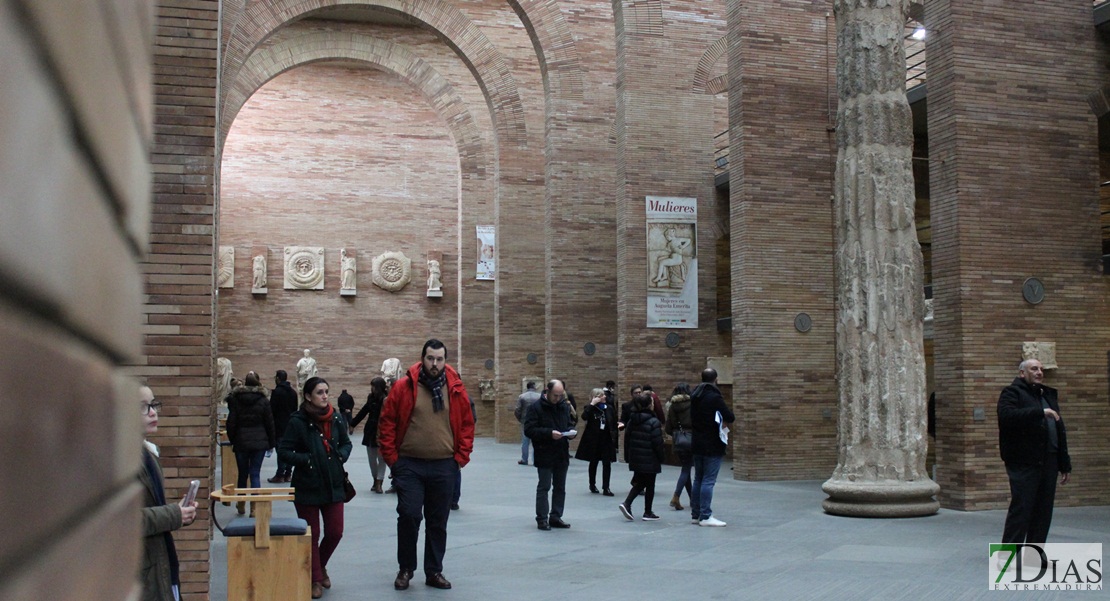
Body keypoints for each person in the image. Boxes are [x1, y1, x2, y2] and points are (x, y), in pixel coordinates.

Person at [378, 339, 475, 591]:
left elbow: (467, 423)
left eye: (439, 359)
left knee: (437, 520)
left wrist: (460, 458)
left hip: (444, 465)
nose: (435, 364)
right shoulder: (403, 387)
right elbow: (386, 422)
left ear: (445, 360)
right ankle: (406, 568)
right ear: (422, 358)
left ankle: (434, 571)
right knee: (409, 515)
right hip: (409, 464)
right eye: (430, 358)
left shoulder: (455, 388)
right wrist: (393, 460)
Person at [278, 376, 352, 599]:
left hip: (334, 484)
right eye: (320, 392)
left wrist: (342, 456)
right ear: (308, 396)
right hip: (308, 486)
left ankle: (317, 566)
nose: (325, 396)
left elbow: (346, 443)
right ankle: (315, 579)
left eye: (326, 391)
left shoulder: (336, 418)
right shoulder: (297, 421)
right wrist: (306, 460)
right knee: (312, 533)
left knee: (335, 532)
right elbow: (284, 451)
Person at [997, 359, 1071, 545]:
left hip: (1049, 461)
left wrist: (1064, 463)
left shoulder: (1047, 395)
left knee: (1043, 511)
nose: (1039, 372)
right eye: (1034, 369)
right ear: (1022, 373)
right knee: (1022, 508)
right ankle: (1008, 556)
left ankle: (1034, 556)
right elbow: (1007, 416)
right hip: (1024, 462)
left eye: (1041, 369)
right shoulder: (1012, 393)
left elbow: (1058, 431)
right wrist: (1039, 412)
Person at [138, 385, 198, 601]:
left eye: (153, 405)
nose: (153, 412)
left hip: (158, 564)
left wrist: (180, 511)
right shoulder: (117, 461)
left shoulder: (148, 453)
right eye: (143, 407)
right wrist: (173, 514)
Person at [524, 379, 577, 531]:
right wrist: (548, 433)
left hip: (561, 452)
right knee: (544, 486)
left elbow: (568, 423)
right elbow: (529, 430)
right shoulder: (536, 408)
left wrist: (570, 432)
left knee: (560, 487)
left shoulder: (563, 407)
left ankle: (556, 516)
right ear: (547, 391)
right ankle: (542, 518)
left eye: (560, 395)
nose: (557, 398)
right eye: (555, 395)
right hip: (544, 451)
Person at [689, 368, 734, 527]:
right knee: (708, 480)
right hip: (712, 443)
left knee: (698, 479)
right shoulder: (714, 397)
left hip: (697, 442)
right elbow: (730, 417)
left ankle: (696, 514)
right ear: (716, 379)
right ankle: (706, 516)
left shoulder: (695, 395)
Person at [226, 371, 275, 515]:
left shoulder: (236, 399)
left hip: (241, 441)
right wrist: (271, 443)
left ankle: (241, 504)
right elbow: (269, 423)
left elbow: (231, 422)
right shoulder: (264, 400)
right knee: (255, 474)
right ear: (258, 383)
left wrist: (233, 439)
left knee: (242, 474)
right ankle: (254, 507)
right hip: (259, 442)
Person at [618, 392, 665, 521]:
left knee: (643, 482)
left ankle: (647, 511)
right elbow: (657, 442)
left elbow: (627, 439)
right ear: (650, 405)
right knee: (646, 484)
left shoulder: (632, 420)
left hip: (636, 457)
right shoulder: (654, 422)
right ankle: (630, 505)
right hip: (650, 458)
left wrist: (628, 456)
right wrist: (661, 457)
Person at [575, 387, 618, 496]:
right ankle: (592, 484)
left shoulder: (609, 408)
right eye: (601, 395)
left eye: (604, 395)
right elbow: (584, 417)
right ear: (596, 397)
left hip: (606, 439)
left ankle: (606, 487)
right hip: (594, 439)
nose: (604, 397)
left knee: (607, 463)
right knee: (593, 462)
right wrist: (592, 404)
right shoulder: (590, 408)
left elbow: (613, 422)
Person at [350, 376, 389, 493]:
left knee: (382, 459)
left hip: (383, 431)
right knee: (372, 460)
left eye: (374, 386)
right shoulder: (370, 398)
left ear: (379, 387)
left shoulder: (386, 399)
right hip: (370, 431)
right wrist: (353, 423)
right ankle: (374, 479)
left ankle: (379, 483)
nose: (372, 389)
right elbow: (364, 411)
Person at [665, 382, 693, 511]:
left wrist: (677, 433)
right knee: (686, 469)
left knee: (685, 468)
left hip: (678, 439)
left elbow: (668, 427)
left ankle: (692, 499)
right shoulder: (693, 404)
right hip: (690, 437)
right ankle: (676, 496)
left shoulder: (672, 406)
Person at [268, 370, 298, 483]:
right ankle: (288, 474)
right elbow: (295, 409)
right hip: (290, 425)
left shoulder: (277, 392)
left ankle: (280, 474)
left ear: (278, 378)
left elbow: (272, 410)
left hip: (279, 426)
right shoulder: (293, 393)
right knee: (289, 450)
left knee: (281, 451)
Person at [515, 381, 541, 465]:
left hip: (525, 421)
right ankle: (535, 459)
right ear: (534, 387)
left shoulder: (522, 396)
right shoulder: (539, 396)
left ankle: (524, 459)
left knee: (525, 441)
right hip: (536, 421)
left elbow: (518, 410)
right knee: (536, 441)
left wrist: (520, 419)